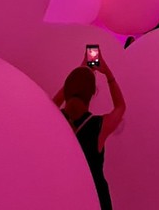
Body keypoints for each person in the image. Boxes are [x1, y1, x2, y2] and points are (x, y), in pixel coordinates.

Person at [53, 49, 125, 210]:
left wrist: (78, 74)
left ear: (67, 90)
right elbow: (120, 107)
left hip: (67, 193)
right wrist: (107, 73)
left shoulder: (56, 118)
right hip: (96, 196)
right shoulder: (98, 126)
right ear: (93, 92)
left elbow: (51, 103)